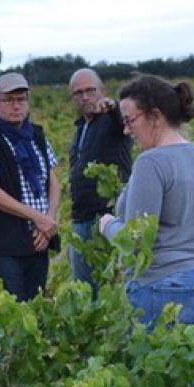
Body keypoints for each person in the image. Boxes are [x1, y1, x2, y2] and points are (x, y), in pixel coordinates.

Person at [98, 75, 194, 387]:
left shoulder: (151, 164)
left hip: (161, 288)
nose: (126, 129)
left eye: (130, 119)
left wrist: (108, 225)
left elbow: (137, 243)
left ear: (154, 116)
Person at [0, 72, 60, 302]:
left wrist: (48, 219)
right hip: (4, 245)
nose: (15, 106)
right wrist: (37, 218)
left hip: (39, 240)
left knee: (36, 309)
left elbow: (54, 183)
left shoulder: (36, 136)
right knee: (12, 312)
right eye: (8, 100)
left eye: (21, 99)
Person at [66, 68, 133, 295]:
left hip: (109, 218)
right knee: (85, 291)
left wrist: (112, 105)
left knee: (114, 290)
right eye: (78, 93)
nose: (85, 97)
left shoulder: (114, 121)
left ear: (102, 91)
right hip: (81, 219)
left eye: (90, 90)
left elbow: (117, 112)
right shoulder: (81, 128)